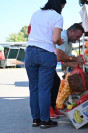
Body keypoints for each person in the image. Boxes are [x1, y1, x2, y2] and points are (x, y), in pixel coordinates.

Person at [25, 0, 66, 129]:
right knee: (44, 89)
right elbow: (55, 38)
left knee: (34, 88)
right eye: (63, 6)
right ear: (59, 4)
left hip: (30, 52)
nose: (62, 9)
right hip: (46, 53)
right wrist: (60, 41)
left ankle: (36, 119)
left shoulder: (35, 13)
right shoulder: (57, 16)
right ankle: (45, 120)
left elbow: (29, 31)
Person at [50, 23, 85, 118]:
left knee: (56, 82)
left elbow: (66, 61)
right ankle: (49, 110)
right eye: (77, 36)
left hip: (51, 64)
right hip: (45, 63)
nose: (77, 39)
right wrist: (75, 59)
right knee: (51, 85)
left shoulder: (69, 43)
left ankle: (53, 107)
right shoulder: (63, 36)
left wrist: (78, 66)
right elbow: (59, 57)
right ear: (71, 31)